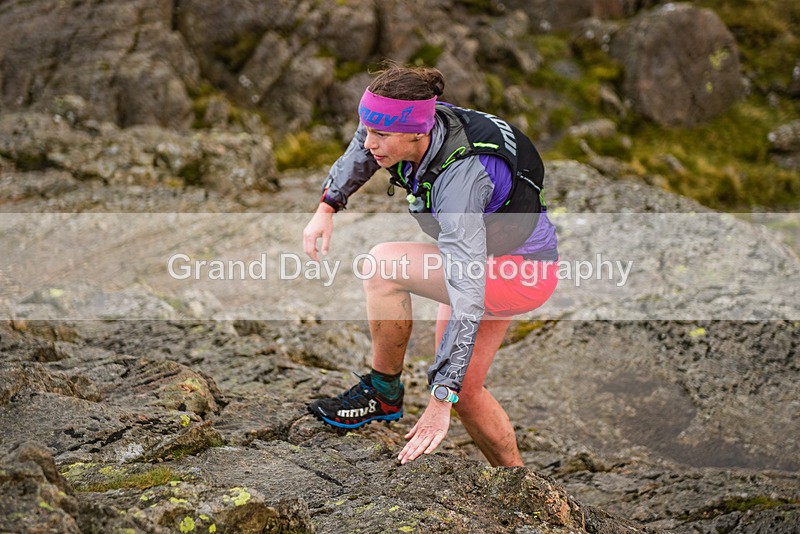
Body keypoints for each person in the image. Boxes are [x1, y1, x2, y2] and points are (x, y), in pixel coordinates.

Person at [303, 62, 558, 467]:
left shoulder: (461, 179)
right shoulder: (422, 119)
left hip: (517, 273)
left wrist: (440, 398)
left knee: (382, 265)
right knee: (467, 393)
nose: (370, 142)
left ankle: (383, 391)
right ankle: (522, 485)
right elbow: (364, 146)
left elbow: (468, 285)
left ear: (417, 133)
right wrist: (329, 204)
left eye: (381, 134)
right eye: (368, 128)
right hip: (492, 257)